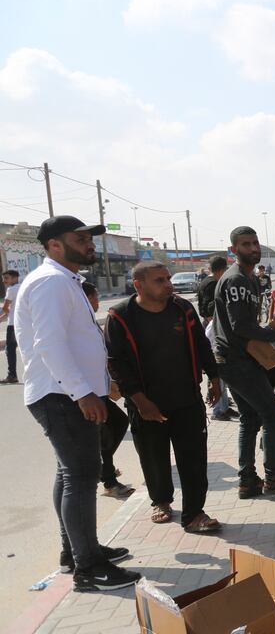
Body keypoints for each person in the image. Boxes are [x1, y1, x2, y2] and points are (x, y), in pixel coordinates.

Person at [15, 215, 140, 592]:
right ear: (54, 244)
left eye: (90, 238)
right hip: (62, 396)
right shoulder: (51, 282)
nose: (89, 244)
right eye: (80, 238)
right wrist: (83, 392)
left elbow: (78, 342)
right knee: (82, 477)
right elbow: (50, 345)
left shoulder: (63, 280)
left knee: (70, 474)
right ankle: (90, 568)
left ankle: (76, 552)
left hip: (66, 393)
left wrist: (102, 383)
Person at [105, 263, 222, 533]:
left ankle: (194, 513)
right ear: (139, 285)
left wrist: (214, 378)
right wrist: (140, 401)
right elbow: (116, 363)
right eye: (160, 280)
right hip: (145, 405)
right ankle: (161, 501)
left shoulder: (183, 309)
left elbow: (203, 345)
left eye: (168, 278)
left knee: (193, 460)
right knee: (153, 458)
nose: (168, 284)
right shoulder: (120, 316)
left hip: (187, 401)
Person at [213, 226, 275, 499]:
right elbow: (240, 326)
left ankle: (247, 480)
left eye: (255, 243)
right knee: (273, 414)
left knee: (250, 418)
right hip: (237, 360)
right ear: (234, 250)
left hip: (240, 359)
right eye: (245, 244)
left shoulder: (249, 279)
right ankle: (274, 477)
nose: (253, 248)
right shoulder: (237, 280)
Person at [82, 281, 136, 501]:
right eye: (95, 297)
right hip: (89, 392)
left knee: (118, 424)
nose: (98, 301)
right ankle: (109, 481)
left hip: (100, 388)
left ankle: (104, 470)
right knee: (104, 436)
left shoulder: (89, 320)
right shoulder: (79, 322)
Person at [198, 256, 238, 422]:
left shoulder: (210, 282)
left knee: (221, 375)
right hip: (213, 329)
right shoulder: (213, 284)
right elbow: (208, 307)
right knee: (216, 372)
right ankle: (218, 410)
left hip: (214, 327)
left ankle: (223, 406)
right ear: (222, 269)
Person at [2, 269, 21, 383]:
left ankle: (12, 375)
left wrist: (6, 313)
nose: (4, 281)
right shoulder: (23, 287)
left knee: (10, 350)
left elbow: (5, 307)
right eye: (3, 278)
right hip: (23, 323)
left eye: (7, 278)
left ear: (15, 278)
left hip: (12, 326)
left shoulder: (11, 289)